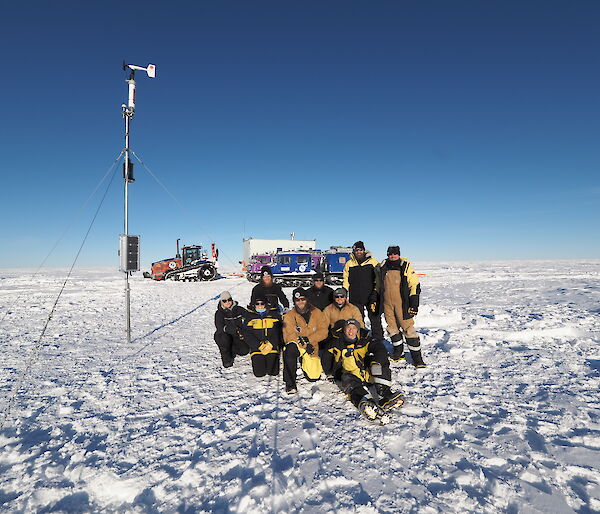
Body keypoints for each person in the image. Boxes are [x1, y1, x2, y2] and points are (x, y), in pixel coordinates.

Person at [328, 319, 403, 421]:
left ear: (358, 330)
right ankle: (366, 403)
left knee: (380, 364)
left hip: (366, 373)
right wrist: (331, 373)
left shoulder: (364, 339)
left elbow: (380, 349)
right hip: (351, 375)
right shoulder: (337, 342)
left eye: (354, 328)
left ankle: (385, 395)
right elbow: (326, 357)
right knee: (347, 379)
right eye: (348, 328)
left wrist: (376, 362)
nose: (351, 331)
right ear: (344, 330)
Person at [378, 245, 426, 367]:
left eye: (395, 254)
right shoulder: (383, 266)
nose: (392, 256)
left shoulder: (405, 265)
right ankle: (398, 353)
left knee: (408, 329)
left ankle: (417, 359)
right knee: (392, 328)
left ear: (398, 254)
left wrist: (414, 303)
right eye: (390, 254)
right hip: (387, 303)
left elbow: (414, 284)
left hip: (402, 303)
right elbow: (378, 284)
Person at [282, 288, 329, 393]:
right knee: (289, 349)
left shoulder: (317, 312)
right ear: (294, 301)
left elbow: (324, 331)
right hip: (298, 345)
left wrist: (309, 340)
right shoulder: (289, 315)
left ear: (307, 299)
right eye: (297, 300)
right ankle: (290, 384)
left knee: (313, 377)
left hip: (312, 346)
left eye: (302, 299)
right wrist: (304, 344)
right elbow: (289, 335)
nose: (300, 302)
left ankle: (304, 360)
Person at [342, 241, 384, 341]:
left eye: (360, 249)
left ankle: (378, 337)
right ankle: (360, 337)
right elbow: (346, 279)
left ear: (364, 250)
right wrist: (344, 291)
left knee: (374, 318)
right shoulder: (349, 263)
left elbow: (378, 278)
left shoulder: (372, 262)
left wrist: (376, 292)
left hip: (370, 296)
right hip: (355, 296)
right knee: (357, 318)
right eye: (356, 250)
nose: (358, 252)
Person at [243, 295, 282, 378]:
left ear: (266, 304)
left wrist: (271, 343)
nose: (260, 305)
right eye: (257, 303)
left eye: (262, 303)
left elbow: (278, 331)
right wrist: (258, 345)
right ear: (254, 305)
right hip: (257, 347)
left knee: (273, 372)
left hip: (271, 346)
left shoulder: (274, 315)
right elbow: (247, 334)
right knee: (259, 373)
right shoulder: (249, 317)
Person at [213, 291, 250, 368]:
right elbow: (219, 327)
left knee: (244, 351)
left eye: (229, 299)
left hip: (237, 335)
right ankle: (226, 358)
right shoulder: (219, 313)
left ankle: (233, 348)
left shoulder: (239, 309)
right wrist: (231, 329)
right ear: (221, 302)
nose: (227, 302)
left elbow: (249, 317)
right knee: (223, 338)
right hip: (225, 335)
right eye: (224, 301)